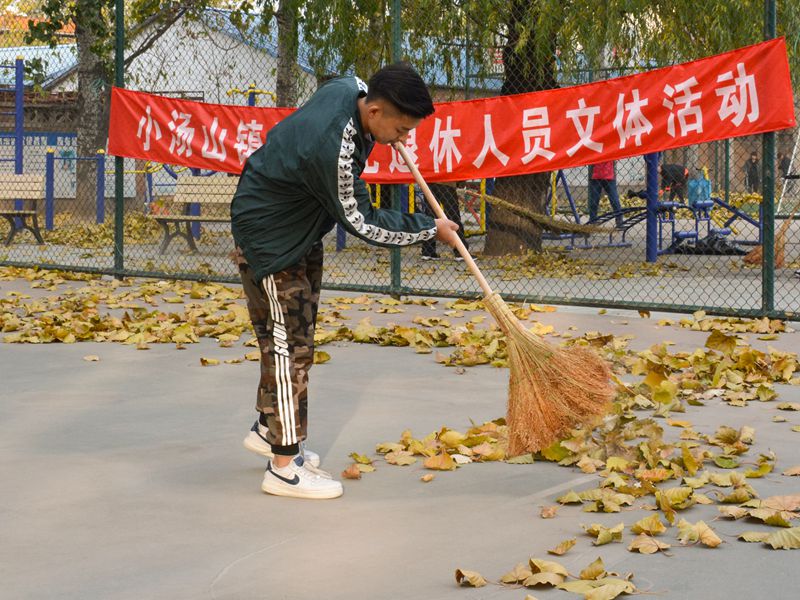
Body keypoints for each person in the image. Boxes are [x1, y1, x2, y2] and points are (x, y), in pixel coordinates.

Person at [231, 63, 460, 500]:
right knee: (288, 345)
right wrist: (432, 228)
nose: (405, 138)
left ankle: (268, 427)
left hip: (296, 222)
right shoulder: (333, 146)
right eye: (401, 128)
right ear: (373, 111)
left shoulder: (351, 88)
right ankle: (282, 465)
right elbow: (362, 221)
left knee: (291, 337)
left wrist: (384, 137)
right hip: (271, 236)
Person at [417, 182, 469, 260]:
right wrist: (461, 181)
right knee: (452, 213)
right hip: (446, 180)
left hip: (429, 180)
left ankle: (428, 251)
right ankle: (460, 251)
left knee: (430, 214)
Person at [587, 160, 623, 227]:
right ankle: (592, 220)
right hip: (595, 174)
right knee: (594, 200)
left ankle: (619, 220)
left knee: (614, 199)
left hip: (609, 173)